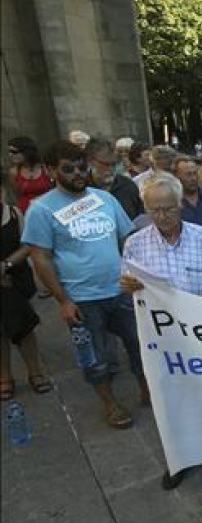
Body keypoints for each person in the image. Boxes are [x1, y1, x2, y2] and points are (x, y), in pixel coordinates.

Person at [118, 173, 202, 488]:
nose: (162, 217)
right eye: (155, 211)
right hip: (162, 342)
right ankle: (180, 459)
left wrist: (200, 303)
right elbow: (127, 285)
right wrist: (128, 285)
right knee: (173, 401)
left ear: (180, 205)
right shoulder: (135, 243)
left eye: (169, 209)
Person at [23, 140, 146, 429]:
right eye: (69, 169)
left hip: (122, 291)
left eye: (82, 167)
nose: (78, 173)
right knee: (95, 358)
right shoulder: (41, 209)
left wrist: (137, 274)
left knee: (140, 346)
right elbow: (40, 259)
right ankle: (110, 404)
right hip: (82, 300)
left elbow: (127, 239)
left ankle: (147, 390)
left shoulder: (104, 199)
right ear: (51, 170)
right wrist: (63, 301)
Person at [1, 185, 49, 400]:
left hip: (15, 278)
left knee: (25, 325)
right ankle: (5, 377)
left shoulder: (13, 213)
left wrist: (5, 265)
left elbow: (28, 244)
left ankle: (35, 372)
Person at [84, 138, 144, 220]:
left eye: (114, 164)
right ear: (90, 161)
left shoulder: (128, 186)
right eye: (106, 164)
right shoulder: (81, 188)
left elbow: (140, 219)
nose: (111, 169)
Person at [8, 136, 52, 213]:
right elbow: (17, 195)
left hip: (47, 209)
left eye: (14, 152)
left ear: (26, 152)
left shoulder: (44, 168)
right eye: (9, 151)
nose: (10, 155)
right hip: (26, 212)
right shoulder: (14, 172)